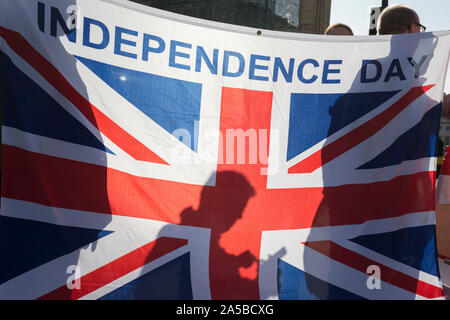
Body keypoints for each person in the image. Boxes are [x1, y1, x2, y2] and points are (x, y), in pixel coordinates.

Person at [376, 4, 450, 117]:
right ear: (410, 28)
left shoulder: (368, 70)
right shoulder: (406, 72)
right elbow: (438, 108)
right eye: (419, 28)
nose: (421, 34)